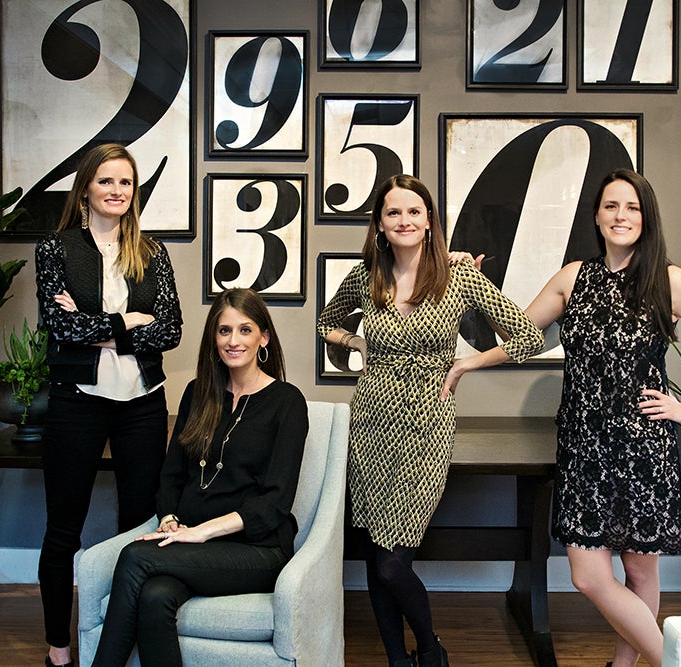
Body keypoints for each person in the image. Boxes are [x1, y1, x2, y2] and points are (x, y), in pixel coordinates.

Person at [467, 169, 681, 667]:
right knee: (588, 576)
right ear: (597, 216)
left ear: (646, 217)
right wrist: (476, 298)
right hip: (583, 446)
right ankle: (675, 661)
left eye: (632, 207)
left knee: (640, 574)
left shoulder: (668, 280)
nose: (621, 216)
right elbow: (520, 337)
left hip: (644, 447)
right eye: (611, 206)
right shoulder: (573, 277)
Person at [317, 174, 545, 667]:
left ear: (428, 221)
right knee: (377, 555)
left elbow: (528, 337)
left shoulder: (458, 276)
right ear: (379, 223)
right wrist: (357, 342)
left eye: (413, 212)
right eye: (393, 212)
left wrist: (467, 363)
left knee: (392, 563)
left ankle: (431, 649)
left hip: (427, 424)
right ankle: (398, 660)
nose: (404, 220)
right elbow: (325, 323)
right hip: (371, 423)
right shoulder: (365, 276)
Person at [91, 287, 308, 666]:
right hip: (193, 543)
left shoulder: (287, 401)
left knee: (135, 557)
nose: (233, 340)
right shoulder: (197, 394)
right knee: (155, 596)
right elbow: (172, 475)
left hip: (258, 550)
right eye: (224, 330)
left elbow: (274, 503)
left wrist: (200, 532)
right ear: (213, 338)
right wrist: (170, 519)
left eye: (245, 330)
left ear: (264, 338)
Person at [35, 143, 183, 667]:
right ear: (86, 189)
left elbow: (171, 331)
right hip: (77, 402)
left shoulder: (152, 252)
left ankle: (125, 640)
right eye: (106, 181)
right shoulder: (56, 249)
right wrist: (128, 324)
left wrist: (94, 328)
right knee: (63, 530)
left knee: (140, 525)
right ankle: (59, 648)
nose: (116, 191)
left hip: (142, 403)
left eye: (125, 182)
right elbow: (60, 327)